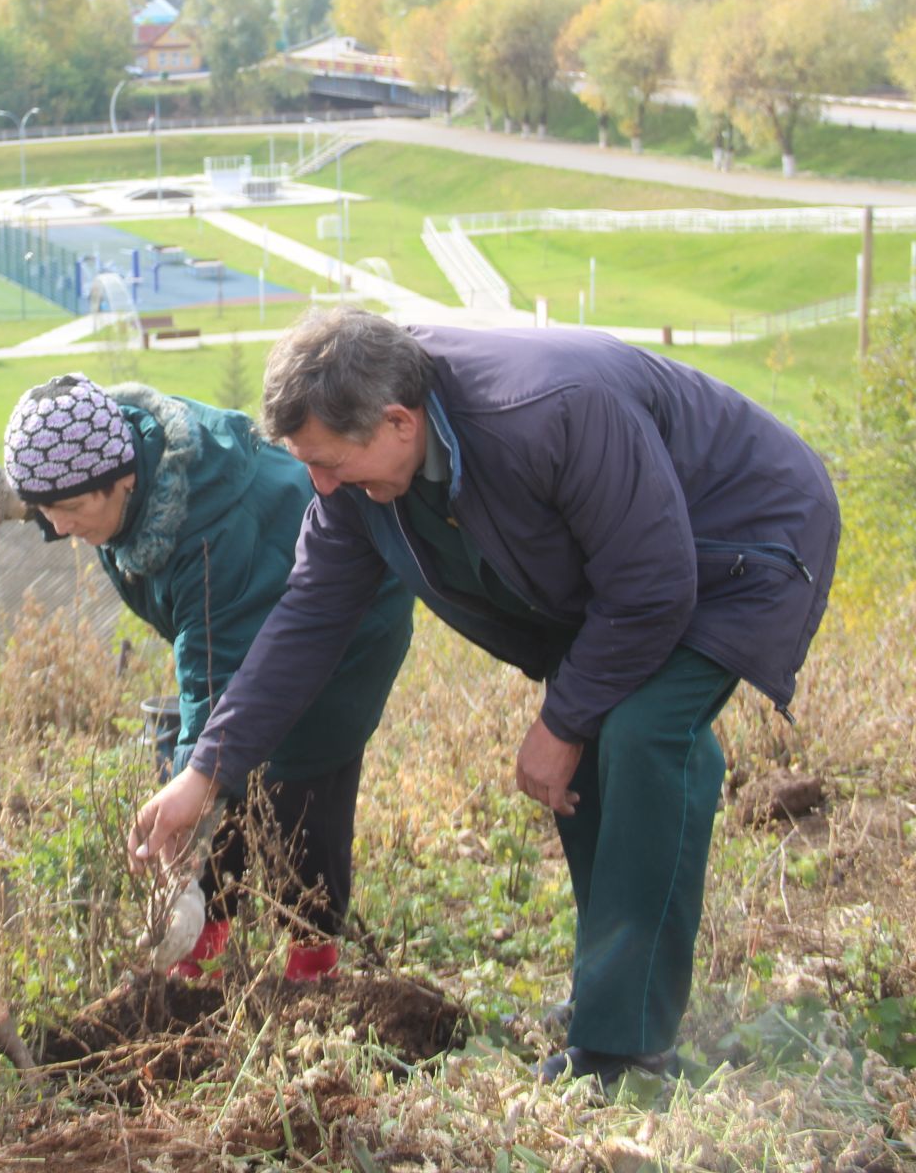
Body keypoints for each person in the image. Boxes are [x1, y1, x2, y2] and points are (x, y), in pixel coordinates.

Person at [129, 308, 840, 1088]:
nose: (319, 485)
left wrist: (562, 719)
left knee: (640, 732)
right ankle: (611, 997)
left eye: (330, 462)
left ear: (397, 422)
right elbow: (305, 621)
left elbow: (652, 589)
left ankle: (628, 1054)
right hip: (628, 567)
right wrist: (206, 773)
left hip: (739, 540)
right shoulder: (356, 479)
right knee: (595, 750)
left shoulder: (547, 412)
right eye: (307, 464)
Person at [0, 375, 413, 980]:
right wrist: (22, 500)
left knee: (298, 777)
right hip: (241, 604)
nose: (59, 527)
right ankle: (203, 954)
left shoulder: (207, 535)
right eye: (47, 509)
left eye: (67, 510)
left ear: (123, 480)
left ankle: (313, 961)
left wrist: (193, 806)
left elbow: (214, 682)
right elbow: (72, 467)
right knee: (207, 769)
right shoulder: (117, 443)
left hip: (348, 617)